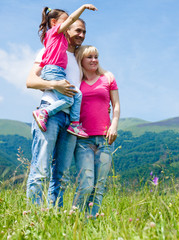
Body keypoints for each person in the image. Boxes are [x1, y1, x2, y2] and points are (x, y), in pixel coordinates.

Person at [26, 18, 87, 207]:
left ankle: (55, 216)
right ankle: (34, 217)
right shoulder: (49, 50)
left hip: (71, 121)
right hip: (50, 114)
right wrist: (55, 84)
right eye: (77, 30)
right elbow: (30, 81)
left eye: (84, 32)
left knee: (62, 175)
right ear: (66, 29)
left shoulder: (79, 59)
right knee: (41, 170)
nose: (81, 35)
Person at [32, 4, 97, 138]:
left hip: (56, 73)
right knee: (69, 100)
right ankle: (45, 112)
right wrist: (83, 7)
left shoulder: (60, 44)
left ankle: (74, 124)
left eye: (84, 32)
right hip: (54, 72)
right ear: (54, 23)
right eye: (66, 21)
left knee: (77, 95)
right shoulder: (54, 32)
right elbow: (31, 81)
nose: (68, 23)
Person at [72, 45, 120, 217]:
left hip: (104, 139)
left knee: (98, 187)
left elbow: (116, 105)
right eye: (89, 57)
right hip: (83, 140)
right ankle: (74, 220)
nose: (94, 60)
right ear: (81, 61)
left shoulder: (108, 77)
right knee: (86, 184)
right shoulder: (77, 82)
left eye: (96, 56)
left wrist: (114, 124)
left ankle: (90, 223)